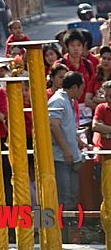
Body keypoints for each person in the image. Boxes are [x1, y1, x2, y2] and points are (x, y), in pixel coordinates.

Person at [48, 72, 84, 217]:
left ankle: (71, 233)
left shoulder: (69, 100)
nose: (82, 91)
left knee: (72, 196)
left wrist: (78, 142)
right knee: (64, 197)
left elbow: (66, 126)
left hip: (70, 157)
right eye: (82, 88)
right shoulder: (57, 101)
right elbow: (53, 126)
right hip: (60, 158)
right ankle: (61, 235)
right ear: (75, 87)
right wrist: (66, 150)